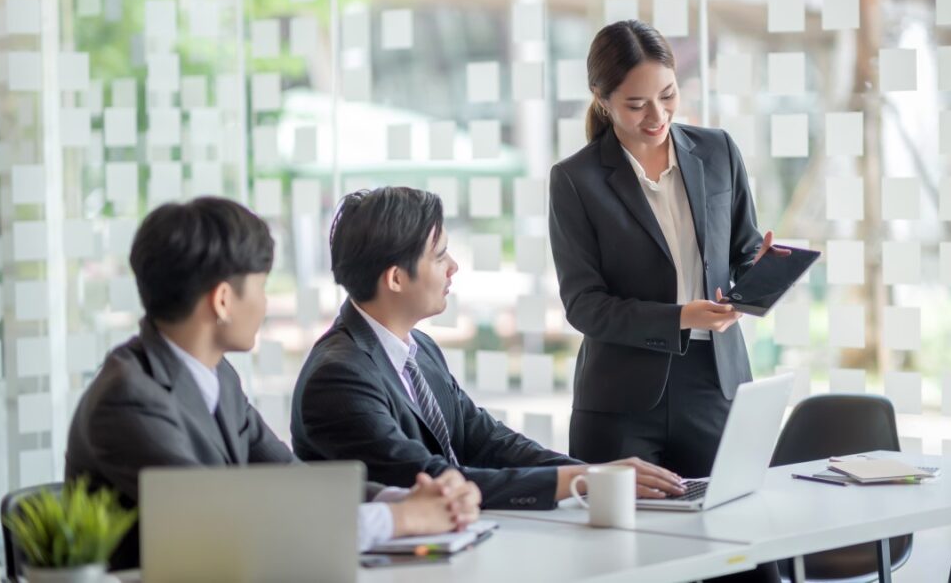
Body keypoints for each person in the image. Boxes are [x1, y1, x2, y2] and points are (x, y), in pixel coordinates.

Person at [65, 197, 480, 570]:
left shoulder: (217, 376)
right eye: (261, 287)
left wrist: (399, 499)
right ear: (224, 300)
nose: (265, 304)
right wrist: (400, 520)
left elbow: (291, 478)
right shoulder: (128, 398)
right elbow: (226, 527)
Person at [548, 21, 784, 582]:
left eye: (668, 95)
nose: (656, 116)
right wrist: (680, 317)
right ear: (603, 102)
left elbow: (743, 250)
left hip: (715, 385)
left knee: (745, 560)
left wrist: (763, 273)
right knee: (632, 567)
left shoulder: (718, 150)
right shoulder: (576, 180)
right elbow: (585, 305)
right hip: (622, 402)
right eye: (635, 104)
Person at [290, 186, 685, 510]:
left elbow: (485, 439)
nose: (453, 267)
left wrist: (600, 477)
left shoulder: (418, 348)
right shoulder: (338, 377)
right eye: (440, 254)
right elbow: (431, 479)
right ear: (395, 278)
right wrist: (583, 480)